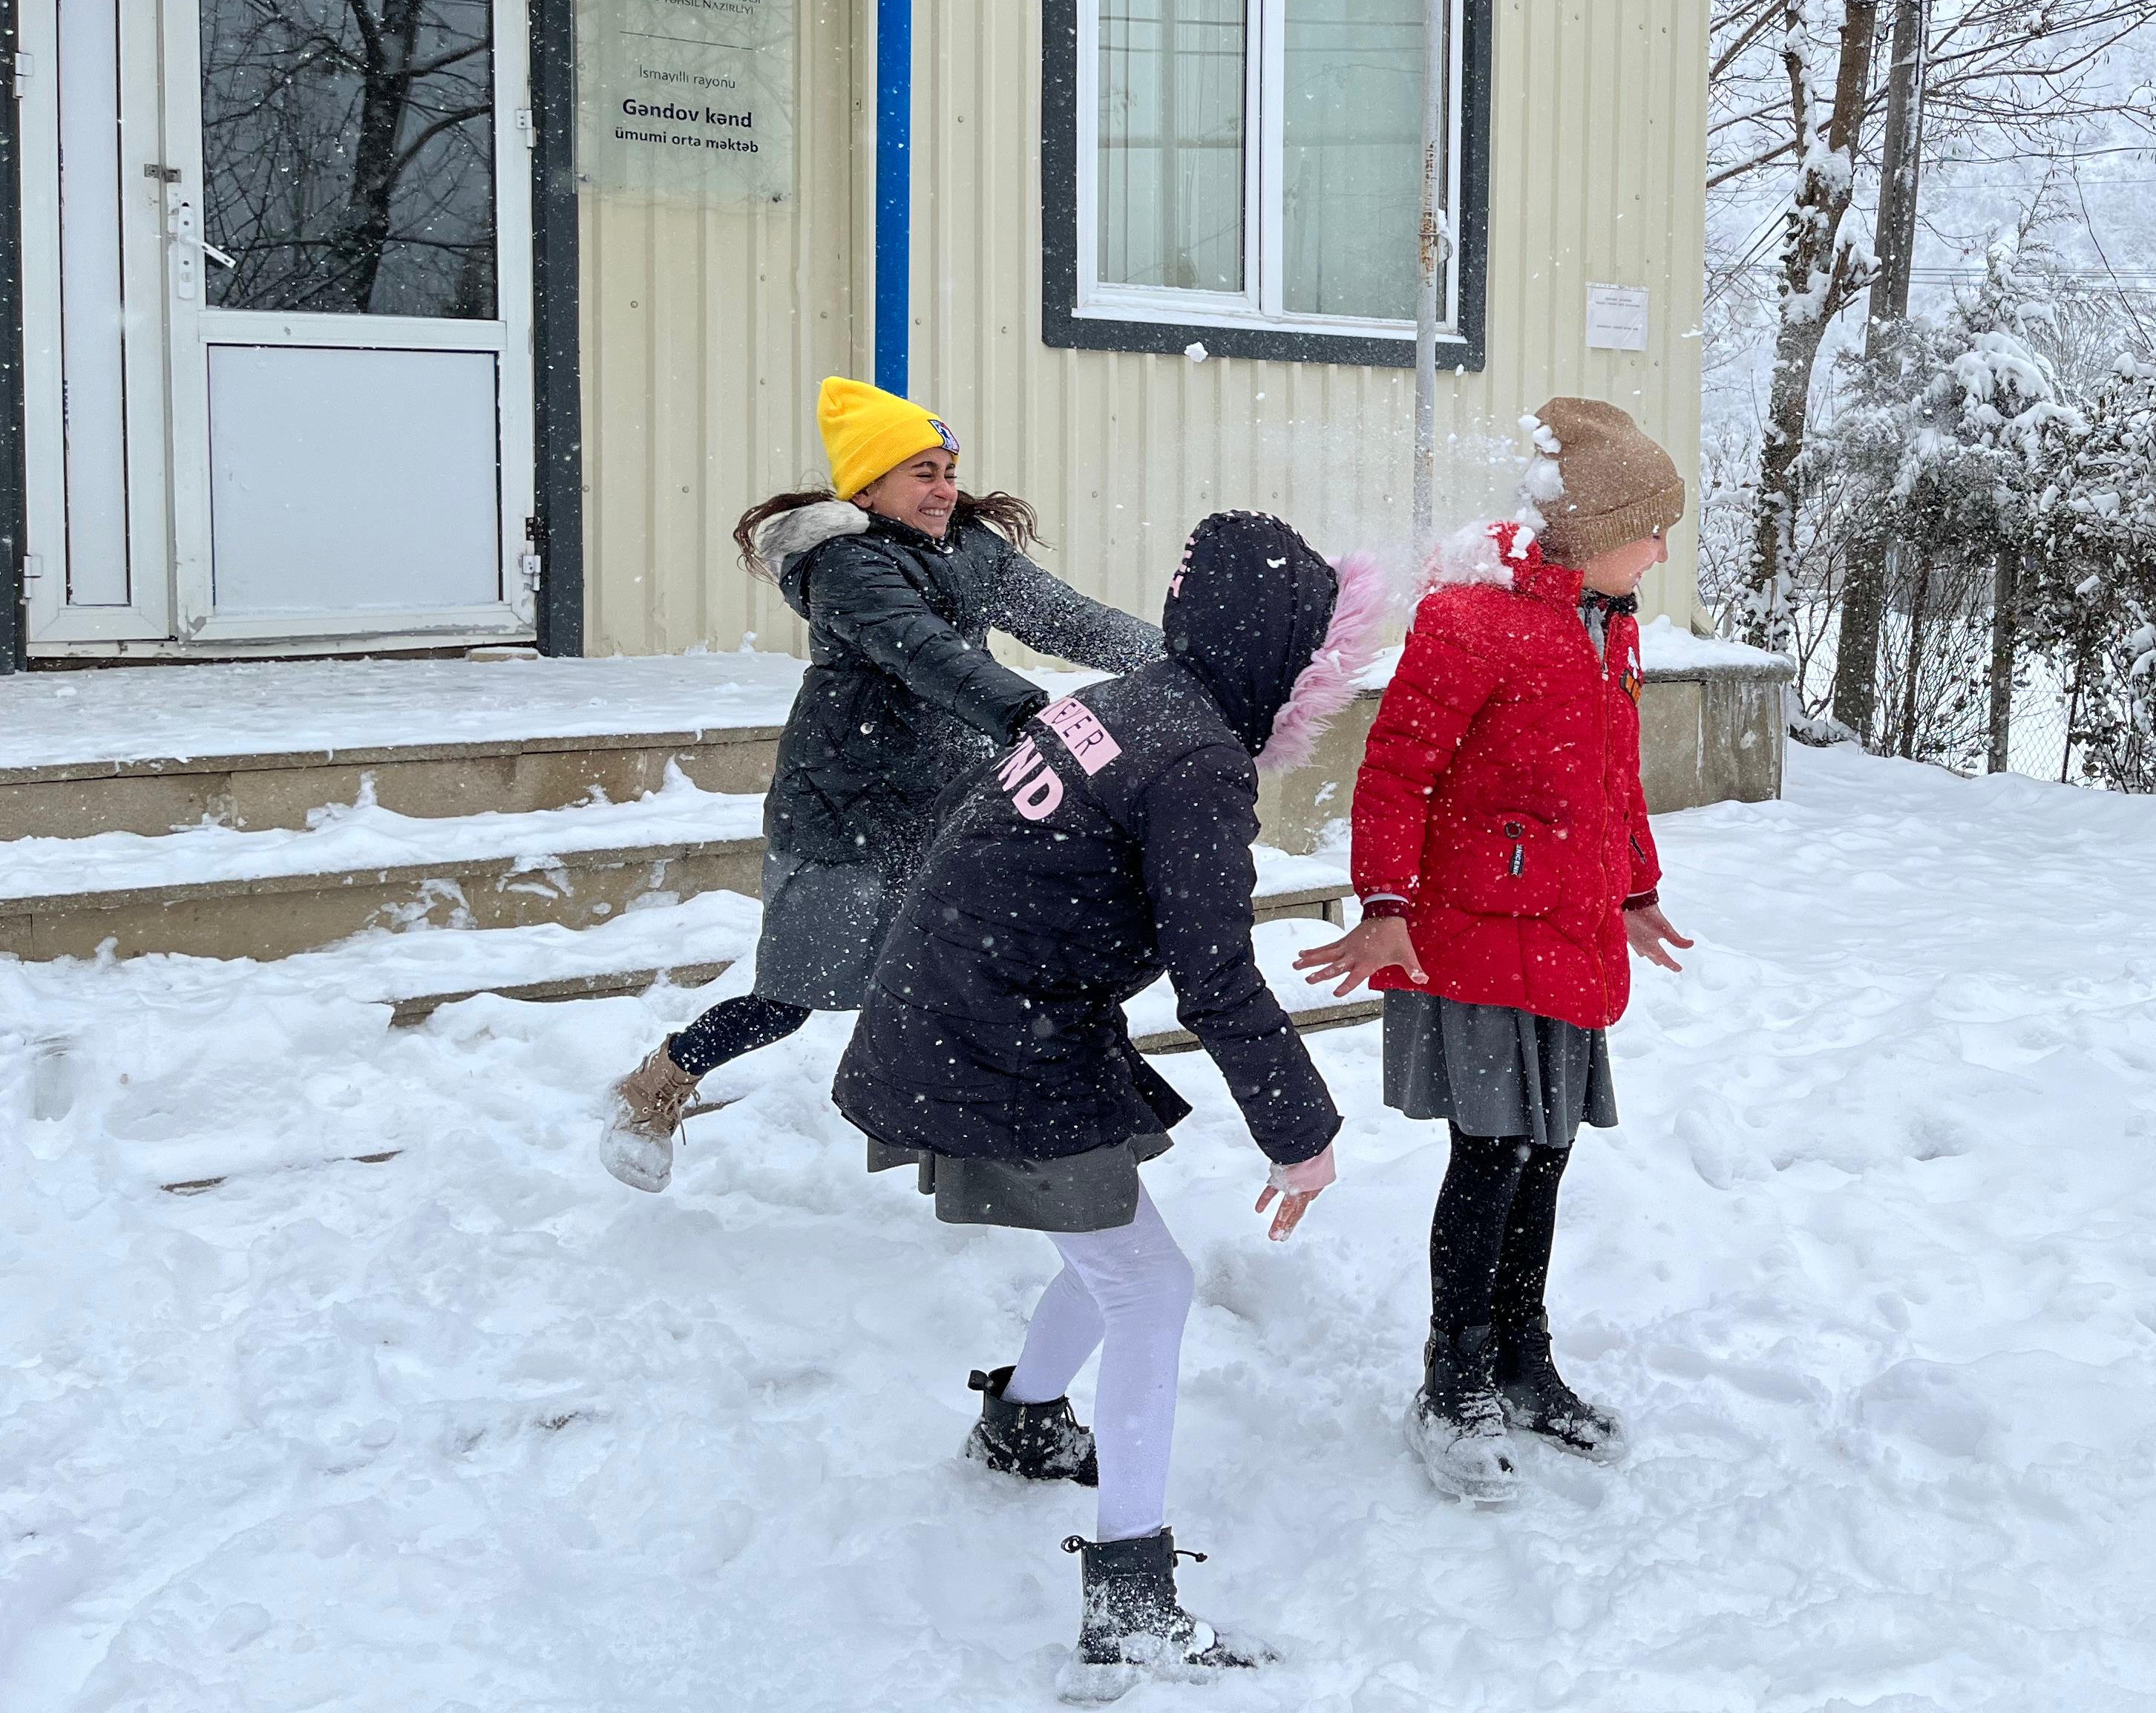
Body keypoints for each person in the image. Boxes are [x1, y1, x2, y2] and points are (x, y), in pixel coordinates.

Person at [835, 510, 1381, 1700]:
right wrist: (1303, 1133)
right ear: (1276, 649)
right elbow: (1216, 973)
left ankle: (1025, 1423)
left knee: (1108, 1246)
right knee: (1149, 1283)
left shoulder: (1140, 697)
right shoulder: (1195, 759)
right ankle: (1131, 1608)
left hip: (977, 1008)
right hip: (995, 1033)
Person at [599, 376, 1163, 1190]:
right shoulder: (844, 564)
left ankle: (968, 1152)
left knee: (971, 978)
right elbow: (924, 651)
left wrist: (1182, 663)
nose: (944, 490)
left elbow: (1070, 620)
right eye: (922, 473)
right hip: (846, 813)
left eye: (948, 469)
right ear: (866, 485)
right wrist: (1037, 715)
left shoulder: (970, 549)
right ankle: (655, 1087)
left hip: (953, 803)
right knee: (790, 996)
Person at [1299, 399, 1696, 1506]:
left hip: (1568, 933)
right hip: (1471, 934)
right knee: (1493, 1157)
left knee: (1550, 1153)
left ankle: (1524, 1359)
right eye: (1649, 529)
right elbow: (1395, 772)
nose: (1662, 552)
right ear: (1586, 532)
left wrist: (1638, 887)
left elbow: (1613, 776)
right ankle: (1453, 1378)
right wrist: (1382, 903)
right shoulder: (1471, 618)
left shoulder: (1607, 622)